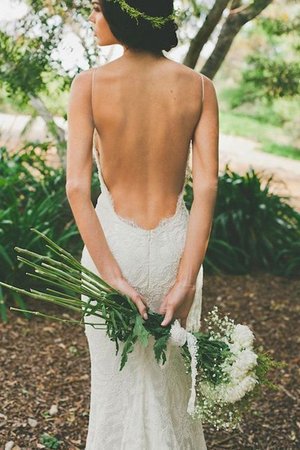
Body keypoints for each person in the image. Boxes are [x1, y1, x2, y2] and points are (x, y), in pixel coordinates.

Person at [66, 0, 219, 448]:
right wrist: (186, 279)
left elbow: (77, 188)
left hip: (113, 250)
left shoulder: (88, 86)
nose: (92, 18)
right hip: (177, 252)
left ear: (125, 11)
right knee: (173, 394)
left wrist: (111, 274)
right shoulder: (200, 88)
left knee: (115, 392)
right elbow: (207, 188)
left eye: (97, 8)